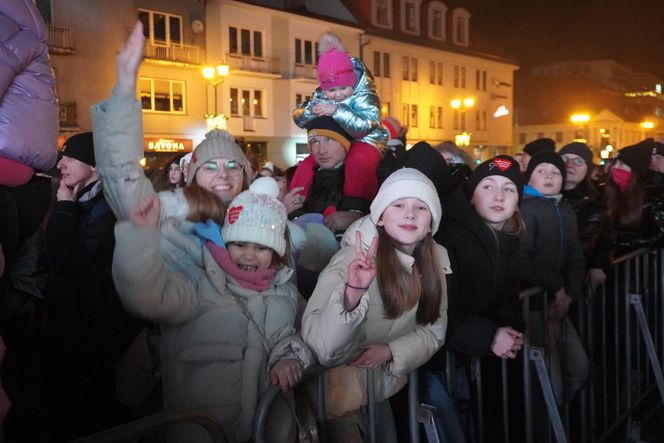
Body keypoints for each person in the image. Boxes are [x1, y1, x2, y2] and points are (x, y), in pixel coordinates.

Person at [116, 178, 312, 442]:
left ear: (276, 251)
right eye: (239, 244)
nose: (249, 256)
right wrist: (140, 236)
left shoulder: (285, 291)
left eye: (262, 247)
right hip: (200, 430)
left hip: (263, 428)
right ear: (225, 241)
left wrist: (289, 357)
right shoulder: (198, 281)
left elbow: (293, 335)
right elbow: (144, 297)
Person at [302, 168, 450, 442]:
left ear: (431, 223)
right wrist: (353, 293)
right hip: (337, 400)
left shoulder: (433, 263)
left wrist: (391, 350)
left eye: (421, 207)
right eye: (398, 205)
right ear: (380, 216)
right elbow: (322, 348)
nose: (410, 214)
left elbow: (433, 331)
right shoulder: (351, 261)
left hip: (379, 392)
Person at [90, 21, 252, 224]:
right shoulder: (168, 218)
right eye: (210, 167)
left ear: (245, 174)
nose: (223, 175)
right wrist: (124, 88)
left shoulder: (267, 222)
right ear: (192, 176)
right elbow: (122, 180)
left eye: (232, 166)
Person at [41, 132, 141, 441]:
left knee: (90, 410)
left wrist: (64, 209)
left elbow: (65, 259)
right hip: (73, 321)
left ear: (95, 164)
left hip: (95, 328)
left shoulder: (110, 208)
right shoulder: (82, 198)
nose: (61, 163)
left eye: (71, 157)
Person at [420, 155, 525, 442]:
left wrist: (509, 329)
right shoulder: (451, 236)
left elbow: (504, 295)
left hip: (459, 359)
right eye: (488, 186)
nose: (499, 196)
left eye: (509, 189)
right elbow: (435, 307)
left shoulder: (505, 238)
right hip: (432, 363)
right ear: (471, 193)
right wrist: (489, 336)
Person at [520, 151, 589, 406]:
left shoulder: (564, 209)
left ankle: (562, 424)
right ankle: (546, 429)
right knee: (551, 381)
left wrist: (569, 294)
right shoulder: (526, 208)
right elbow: (522, 260)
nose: (549, 176)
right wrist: (557, 286)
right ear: (530, 176)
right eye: (541, 171)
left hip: (558, 305)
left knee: (579, 367)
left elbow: (575, 257)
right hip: (534, 307)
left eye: (555, 172)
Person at [291, 33, 386, 217]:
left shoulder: (364, 92)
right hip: (338, 139)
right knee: (306, 166)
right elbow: (298, 117)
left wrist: (336, 111)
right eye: (331, 90)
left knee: (358, 162)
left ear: (351, 81)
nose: (337, 95)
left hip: (367, 139)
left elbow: (368, 123)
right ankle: (296, 205)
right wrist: (313, 109)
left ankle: (354, 208)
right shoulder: (323, 95)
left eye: (343, 88)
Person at [560, 142, 612, 291]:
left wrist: (598, 264)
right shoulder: (542, 198)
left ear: (587, 169)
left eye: (578, 161)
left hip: (575, 286)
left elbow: (605, 242)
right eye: (564, 159)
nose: (569, 165)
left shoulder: (597, 206)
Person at [605, 140, 664, 255]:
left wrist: (617, 242)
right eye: (615, 162)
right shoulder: (612, 191)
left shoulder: (652, 196)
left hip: (638, 267)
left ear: (635, 171)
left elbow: (659, 234)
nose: (615, 167)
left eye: (621, 164)